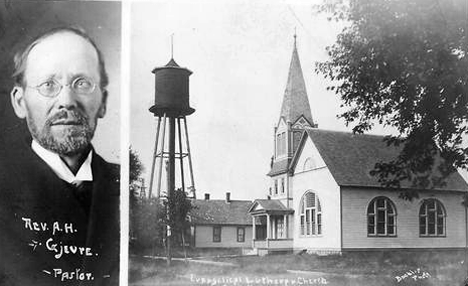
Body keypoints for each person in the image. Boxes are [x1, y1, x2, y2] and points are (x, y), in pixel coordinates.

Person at [0, 27, 119, 286]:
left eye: (83, 83)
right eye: (48, 85)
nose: (67, 100)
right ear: (20, 102)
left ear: (104, 102)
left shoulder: (128, 187)